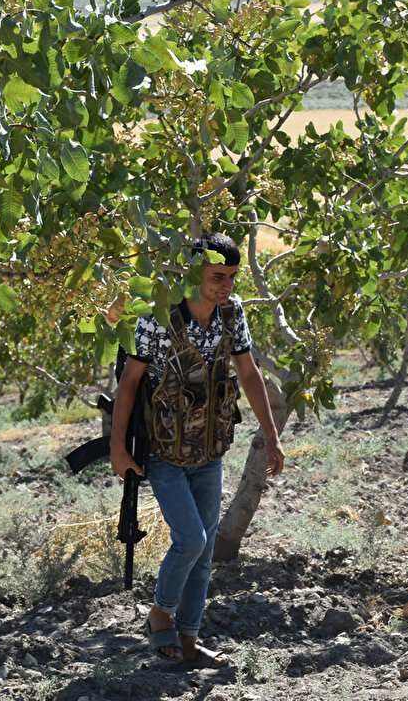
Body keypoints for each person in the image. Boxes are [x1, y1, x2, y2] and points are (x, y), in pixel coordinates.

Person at [110, 232, 286, 668]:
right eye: (216, 276)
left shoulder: (233, 313)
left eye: (231, 276)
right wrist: (118, 447)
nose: (225, 285)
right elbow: (129, 384)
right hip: (164, 454)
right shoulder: (156, 317)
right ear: (192, 273)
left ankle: (188, 640)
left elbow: (248, 375)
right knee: (191, 539)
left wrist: (272, 435)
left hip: (210, 454)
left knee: (204, 554)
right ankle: (159, 615)